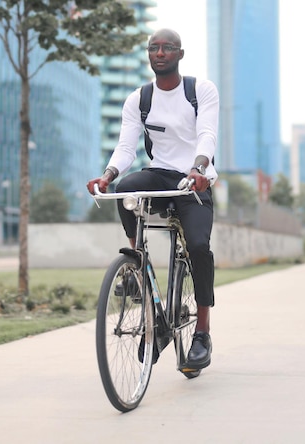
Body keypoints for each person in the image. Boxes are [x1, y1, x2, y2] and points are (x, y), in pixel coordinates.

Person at [87, 29, 219, 370]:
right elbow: (126, 147)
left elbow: (207, 135)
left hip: (194, 181)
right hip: (160, 173)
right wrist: (108, 174)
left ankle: (202, 332)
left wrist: (199, 168)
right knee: (127, 188)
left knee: (199, 248)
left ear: (180, 54)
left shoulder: (200, 91)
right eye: (154, 48)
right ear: (149, 55)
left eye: (167, 48)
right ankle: (135, 265)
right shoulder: (139, 99)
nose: (160, 53)